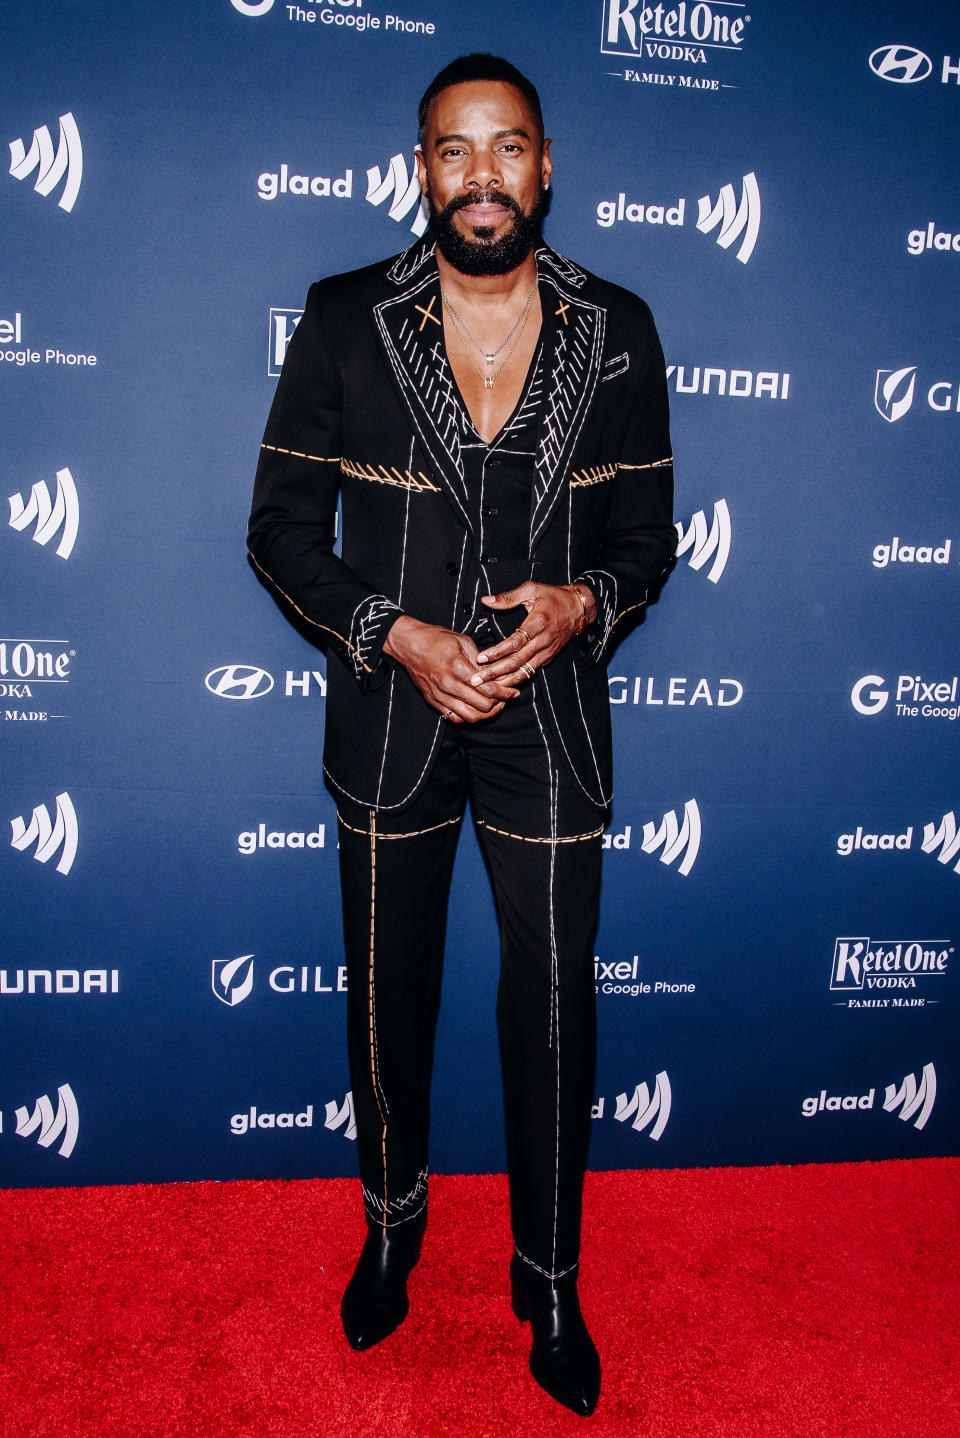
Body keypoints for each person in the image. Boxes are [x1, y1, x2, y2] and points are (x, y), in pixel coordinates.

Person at [247, 53, 675, 1417]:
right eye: (453, 150)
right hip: (391, 715)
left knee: (551, 1004)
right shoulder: (341, 319)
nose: (481, 175)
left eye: (508, 148)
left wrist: (579, 605)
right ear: (418, 169)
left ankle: (547, 1279)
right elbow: (278, 534)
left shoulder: (622, 329)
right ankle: (391, 1228)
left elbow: (648, 541)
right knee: (392, 993)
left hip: (549, 718)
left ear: (546, 166)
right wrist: (401, 636)